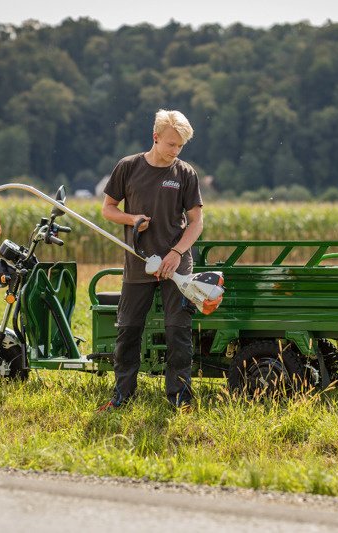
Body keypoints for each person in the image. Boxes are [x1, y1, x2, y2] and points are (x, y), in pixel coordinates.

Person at [98, 109, 203, 411]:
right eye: (171, 144)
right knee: (128, 330)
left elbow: (196, 222)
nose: (175, 151)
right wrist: (132, 219)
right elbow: (108, 208)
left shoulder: (185, 173)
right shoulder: (128, 167)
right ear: (155, 137)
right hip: (138, 262)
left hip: (176, 266)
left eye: (180, 146)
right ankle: (122, 396)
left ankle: (180, 399)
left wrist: (176, 253)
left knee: (178, 333)